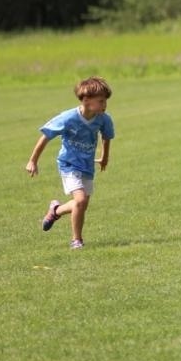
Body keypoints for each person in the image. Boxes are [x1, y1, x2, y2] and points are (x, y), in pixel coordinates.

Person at [26, 77, 116, 250]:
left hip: (87, 166)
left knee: (80, 205)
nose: (104, 105)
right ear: (86, 99)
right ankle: (77, 240)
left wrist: (105, 157)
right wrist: (32, 161)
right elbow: (46, 137)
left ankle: (55, 210)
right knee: (80, 201)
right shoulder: (68, 118)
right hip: (69, 164)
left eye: (105, 101)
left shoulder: (103, 119)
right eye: (101, 101)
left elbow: (106, 136)